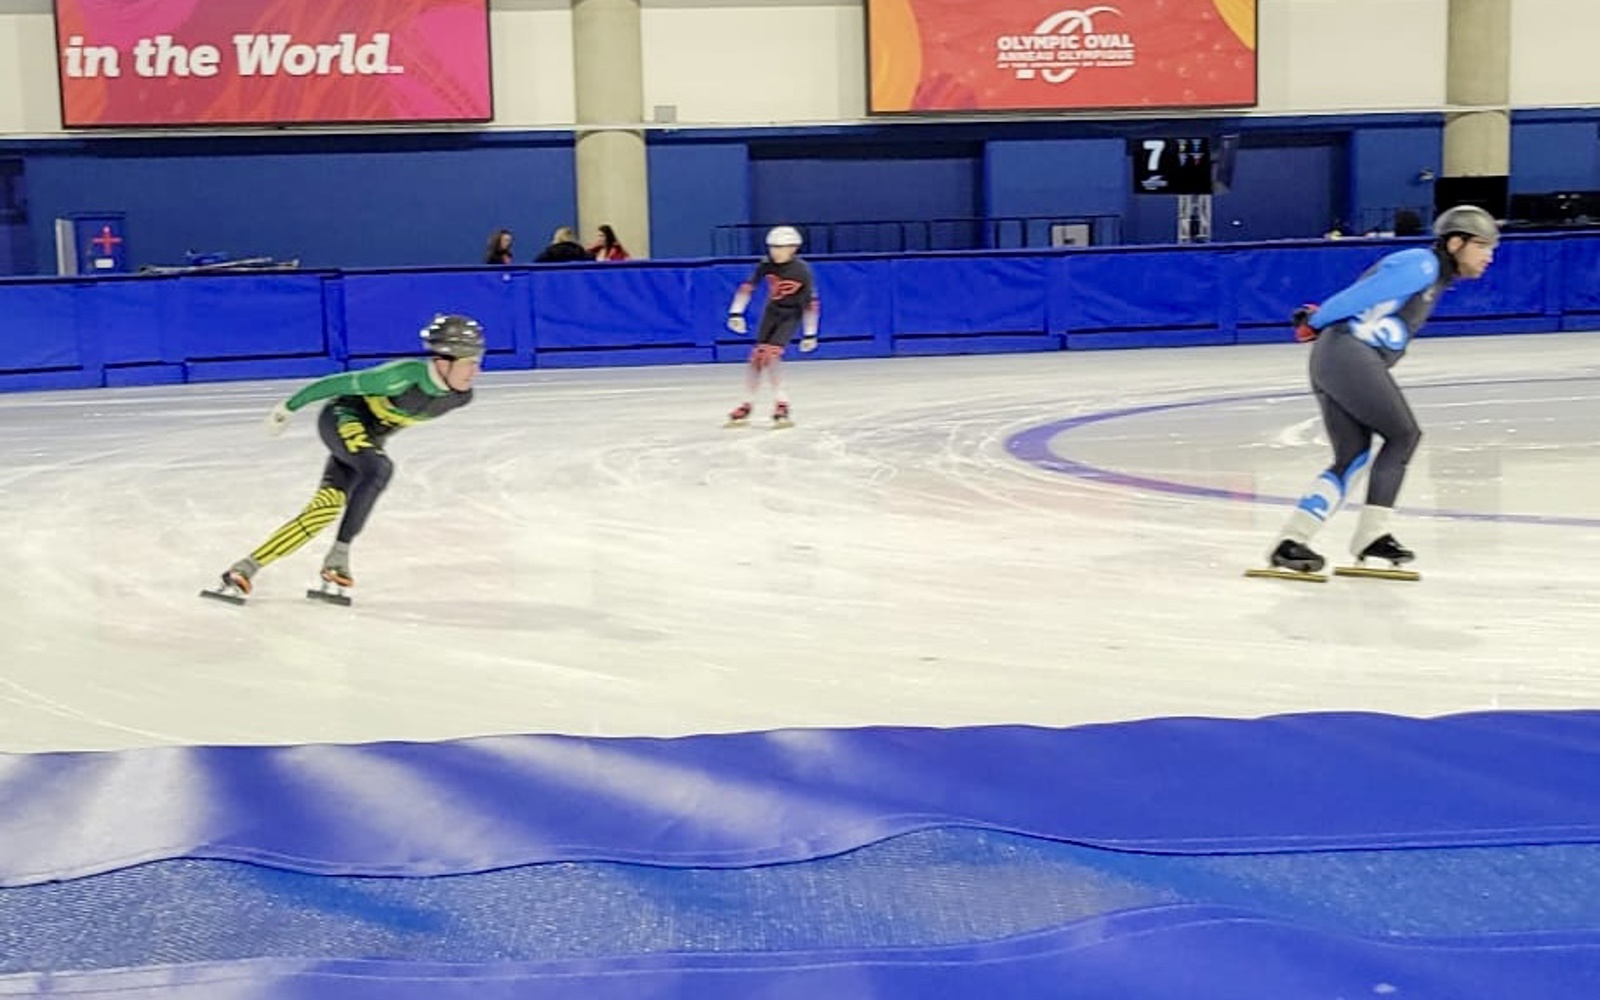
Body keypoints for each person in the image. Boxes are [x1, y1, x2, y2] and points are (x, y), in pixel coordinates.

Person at [1256, 205, 1499, 579]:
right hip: (1346, 353)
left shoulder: (1434, 278)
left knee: (1352, 456)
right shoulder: (1422, 265)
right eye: (1483, 246)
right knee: (1403, 435)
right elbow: (1360, 295)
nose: (1489, 256)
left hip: (1339, 358)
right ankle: (1372, 534)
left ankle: (1292, 541)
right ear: (1455, 243)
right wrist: (1315, 321)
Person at [202, 315, 485, 606]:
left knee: (323, 510)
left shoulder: (460, 397)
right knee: (379, 468)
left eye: (478, 360)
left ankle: (244, 568)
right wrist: (286, 409)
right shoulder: (401, 376)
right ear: (443, 360)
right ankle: (339, 554)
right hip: (340, 418)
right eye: (469, 362)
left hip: (365, 442)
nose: (475, 370)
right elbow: (332, 384)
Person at [724, 225, 819, 428]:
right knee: (757, 357)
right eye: (772, 247)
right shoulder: (766, 264)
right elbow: (748, 287)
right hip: (772, 312)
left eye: (780, 247)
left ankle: (782, 403)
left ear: (793, 248)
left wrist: (810, 333)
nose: (775, 252)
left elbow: (810, 303)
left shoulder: (801, 270)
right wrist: (736, 312)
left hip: (791, 314)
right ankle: (747, 404)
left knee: (772, 354)